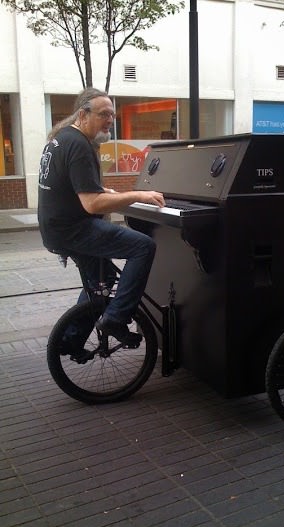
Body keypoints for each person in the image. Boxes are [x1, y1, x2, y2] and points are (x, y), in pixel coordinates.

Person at [38, 87, 165, 353]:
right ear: (83, 114)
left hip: (56, 229)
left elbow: (78, 187)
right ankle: (116, 318)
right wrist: (138, 194)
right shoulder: (80, 145)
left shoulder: (62, 138)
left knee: (102, 278)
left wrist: (111, 193)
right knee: (143, 246)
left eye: (112, 115)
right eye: (103, 114)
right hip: (74, 229)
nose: (110, 119)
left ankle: (71, 340)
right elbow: (91, 203)